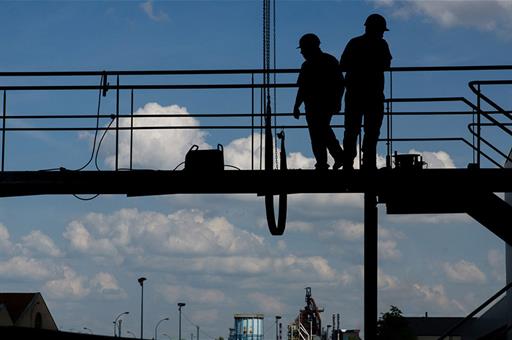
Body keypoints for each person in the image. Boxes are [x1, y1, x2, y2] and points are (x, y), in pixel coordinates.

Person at [339, 13, 392, 170]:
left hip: (355, 93)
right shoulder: (382, 45)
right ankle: (368, 162)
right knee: (372, 130)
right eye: (381, 30)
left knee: (351, 130)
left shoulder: (354, 43)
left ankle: (348, 162)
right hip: (373, 94)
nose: (382, 33)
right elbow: (386, 65)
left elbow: (343, 65)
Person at [293, 33, 345, 170]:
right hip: (320, 104)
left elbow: (303, 88)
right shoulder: (329, 61)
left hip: (317, 104)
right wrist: (296, 105)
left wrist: (296, 106)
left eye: (303, 49)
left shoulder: (309, 65)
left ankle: (328, 160)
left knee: (319, 132)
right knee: (321, 131)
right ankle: (332, 159)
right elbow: (340, 84)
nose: (302, 53)